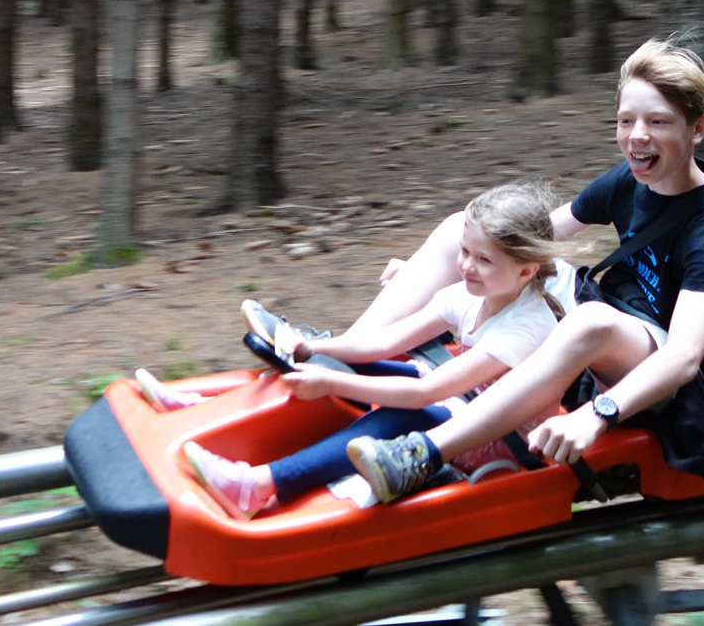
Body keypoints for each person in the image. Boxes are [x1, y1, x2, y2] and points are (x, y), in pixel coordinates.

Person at [345, 38, 704, 504]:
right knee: (464, 226)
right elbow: (528, 241)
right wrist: (450, 268)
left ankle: (420, 455)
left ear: (698, 128)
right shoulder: (630, 178)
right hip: (609, 330)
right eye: (626, 121)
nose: (637, 136)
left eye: (657, 122)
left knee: (590, 321)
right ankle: (340, 358)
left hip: (668, 387)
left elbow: (683, 357)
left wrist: (596, 415)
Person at [177, 182, 571, 520]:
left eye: (482, 260)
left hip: (496, 442)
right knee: (348, 362)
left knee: (407, 412)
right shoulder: (473, 293)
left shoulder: (525, 329)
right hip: (464, 402)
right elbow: (385, 342)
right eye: (465, 251)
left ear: (526, 270)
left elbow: (424, 394)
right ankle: (212, 409)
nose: (466, 266)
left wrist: (330, 381)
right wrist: (314, 347)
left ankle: (258, 485)